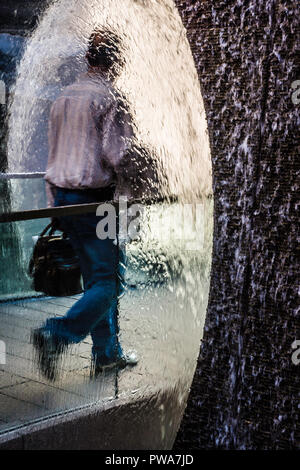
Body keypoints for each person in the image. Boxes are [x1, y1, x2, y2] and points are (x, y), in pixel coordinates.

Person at [31, 29, 140, 382]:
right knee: (109, 283)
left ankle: (107, 355)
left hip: (63, 198)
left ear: (89, 59)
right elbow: (118, 154)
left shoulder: (64, 97)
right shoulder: (110, 98)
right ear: (116, 60)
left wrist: (54, 206)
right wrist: (148, 164)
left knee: (97, 279)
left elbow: (53, 156)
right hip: (95, 201)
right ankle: (56, 334)